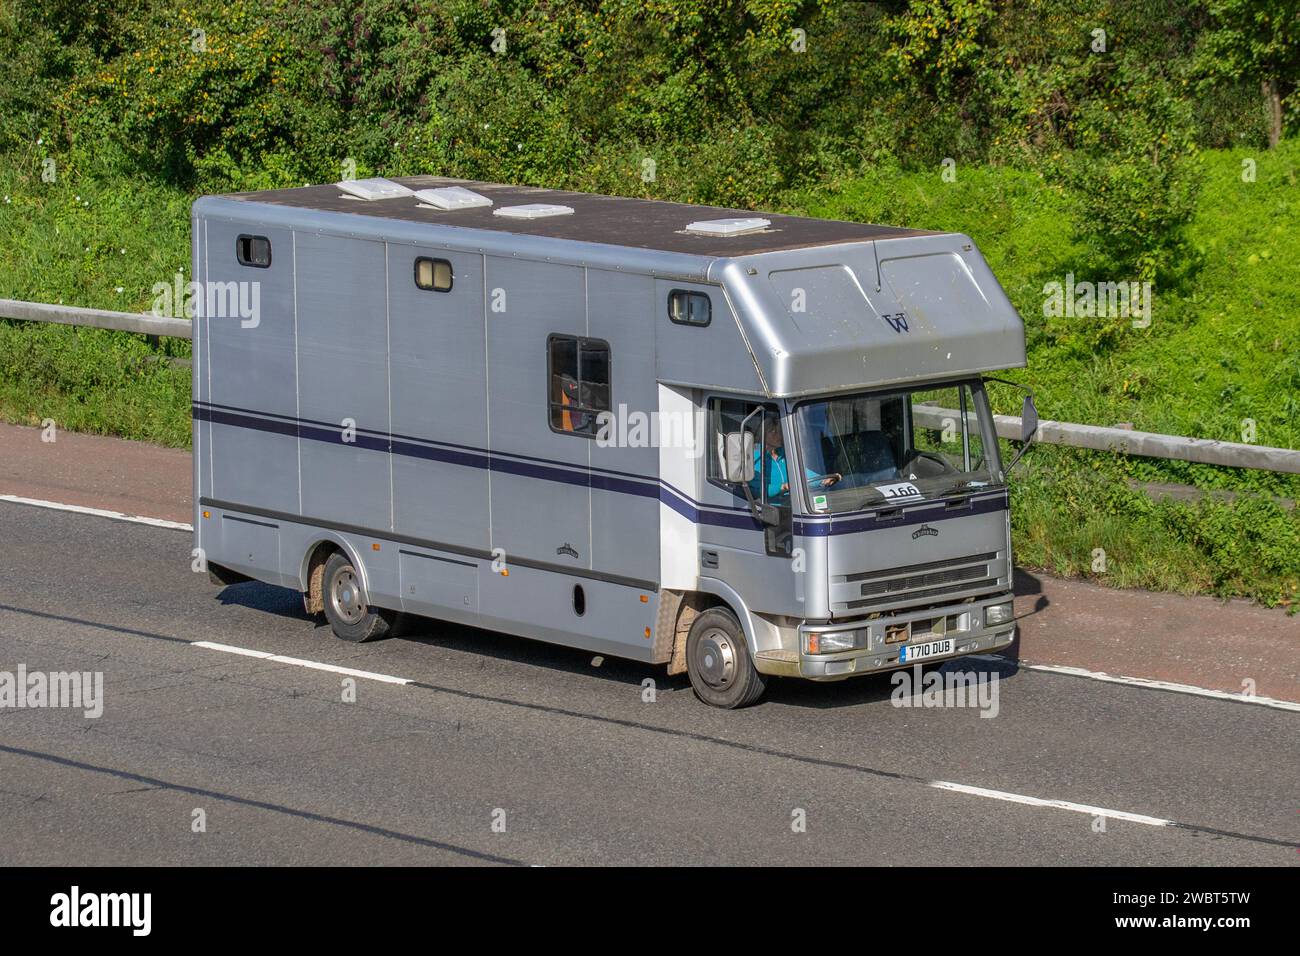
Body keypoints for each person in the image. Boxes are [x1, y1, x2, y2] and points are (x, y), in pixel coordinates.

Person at [752, 418, 840, 504]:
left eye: (779, 431)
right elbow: (756, 490)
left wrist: (822, 481)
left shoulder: (784, 453)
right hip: (771, 510)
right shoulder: (754, 458)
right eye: (773, 431)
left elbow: (801, 473)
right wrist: (781, 487)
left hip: (793, 505)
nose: (779, 435)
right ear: (762, 434)